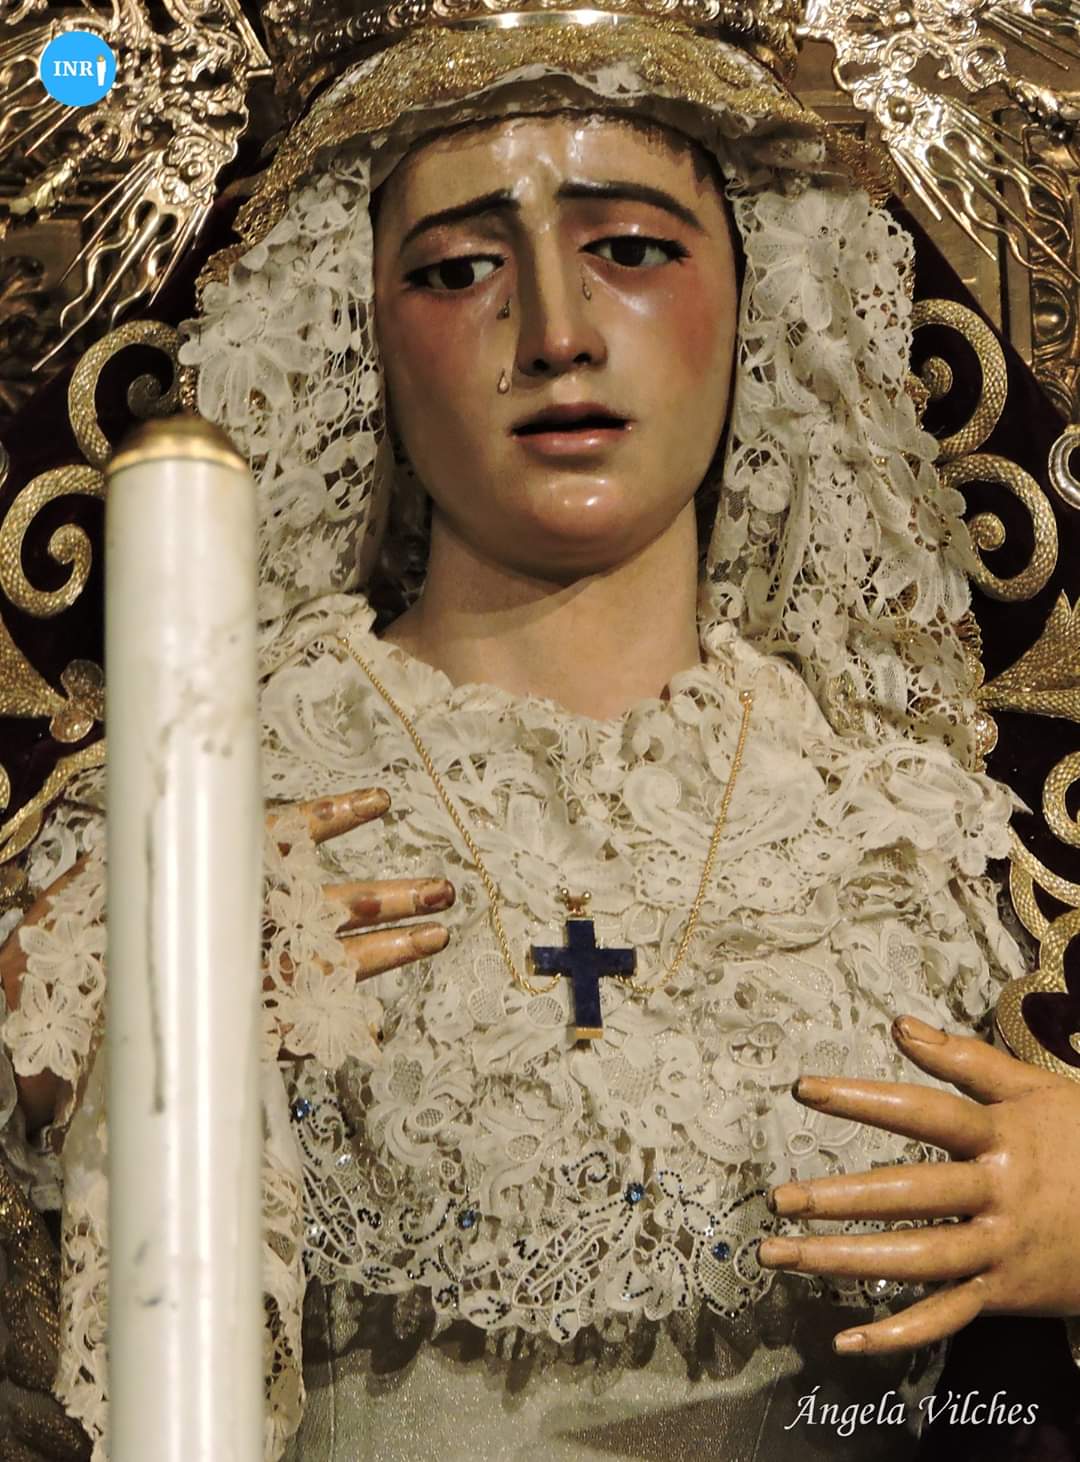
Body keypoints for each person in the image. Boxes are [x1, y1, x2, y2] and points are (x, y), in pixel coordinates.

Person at [1, 15, 1079, 1461]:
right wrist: (45, 1066)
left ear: (763, 298)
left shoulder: (932, 837)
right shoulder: (195, 795)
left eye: (630, 248)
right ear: (353, 324)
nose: (557, 332)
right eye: (459, 269)